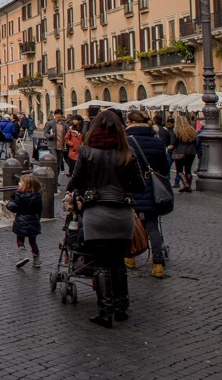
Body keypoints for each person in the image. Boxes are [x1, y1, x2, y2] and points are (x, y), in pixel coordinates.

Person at [66, 108, 145, 328]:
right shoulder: (127, 154)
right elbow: (139, 186)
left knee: (101, 263)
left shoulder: (87, 153)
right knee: (118, 263)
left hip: (96, 213)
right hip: (122, 214)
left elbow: (76, 182)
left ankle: (105, 311)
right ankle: (121, 307)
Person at [126, 110, 171, 278]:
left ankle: (130, 257)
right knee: (152, 226)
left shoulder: (126, 141)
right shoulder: (157, 141)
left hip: (131, 186)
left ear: (130, 122)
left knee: (131, 222)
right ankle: (158, 264)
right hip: (151, 187)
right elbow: (165, 168)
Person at [8, 174, 43, 269]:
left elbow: (15, 208)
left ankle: (23, 256)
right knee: (33, 241)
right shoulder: (37, 196)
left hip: (21, 221)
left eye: (20, 183)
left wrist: (8, 204)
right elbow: (39, 210)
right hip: (33, 220)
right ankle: (36, 261)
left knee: (20, 239)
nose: (19, 184)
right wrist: (37, 219)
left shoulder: (19, 195)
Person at [170, 116, 198, 193]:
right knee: (188, 170)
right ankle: (189, 186)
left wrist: (170, 148)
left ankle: (185, 184)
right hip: (191, 152)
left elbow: (173, 143)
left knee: (179, 170)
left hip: (180, 151)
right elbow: (196, 142)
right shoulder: (192, 130)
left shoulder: (176, 131)